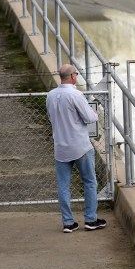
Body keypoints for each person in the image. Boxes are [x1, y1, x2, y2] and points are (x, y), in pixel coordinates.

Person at [46, 64, 107, 233]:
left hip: (60, 147)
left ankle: (68, 222)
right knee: (89, 182)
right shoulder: (76, 94)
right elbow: (89, 117)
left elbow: (51, 117)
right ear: (72, 76)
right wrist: (94, 112)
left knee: (63, 186)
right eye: (76, 74)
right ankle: (90, 219)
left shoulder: (50, 95)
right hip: (80, 146)